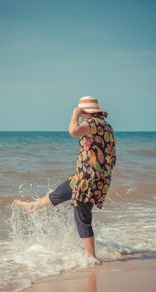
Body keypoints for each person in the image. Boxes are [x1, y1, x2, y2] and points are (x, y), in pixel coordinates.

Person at [16, 96, 116, 259]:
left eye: (81, 111)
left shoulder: (91, 123)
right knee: (61, 192)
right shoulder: (106, 126)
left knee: (81, 215)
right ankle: (34, 206)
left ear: (84, 112)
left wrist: (74, 116)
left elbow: (73, 131)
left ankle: (91, 257)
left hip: (89, 178)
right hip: (93, 176)